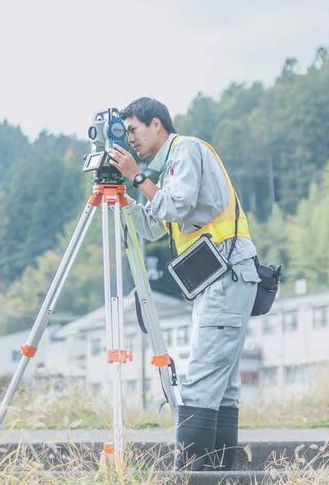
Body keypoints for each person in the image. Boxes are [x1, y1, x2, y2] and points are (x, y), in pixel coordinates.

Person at [108, 97, 259, 471]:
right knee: (221, 383)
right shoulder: (170, 170)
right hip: (217, 279)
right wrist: (124, 200)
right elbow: (154, 225)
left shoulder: (186, 150)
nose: (131, 141)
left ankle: (192, 471)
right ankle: (219, 471)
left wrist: (136, 176)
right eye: (126, 134)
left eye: (134, 131)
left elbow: (175, 206)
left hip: (226, 273)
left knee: (202, 377)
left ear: (156, 123)